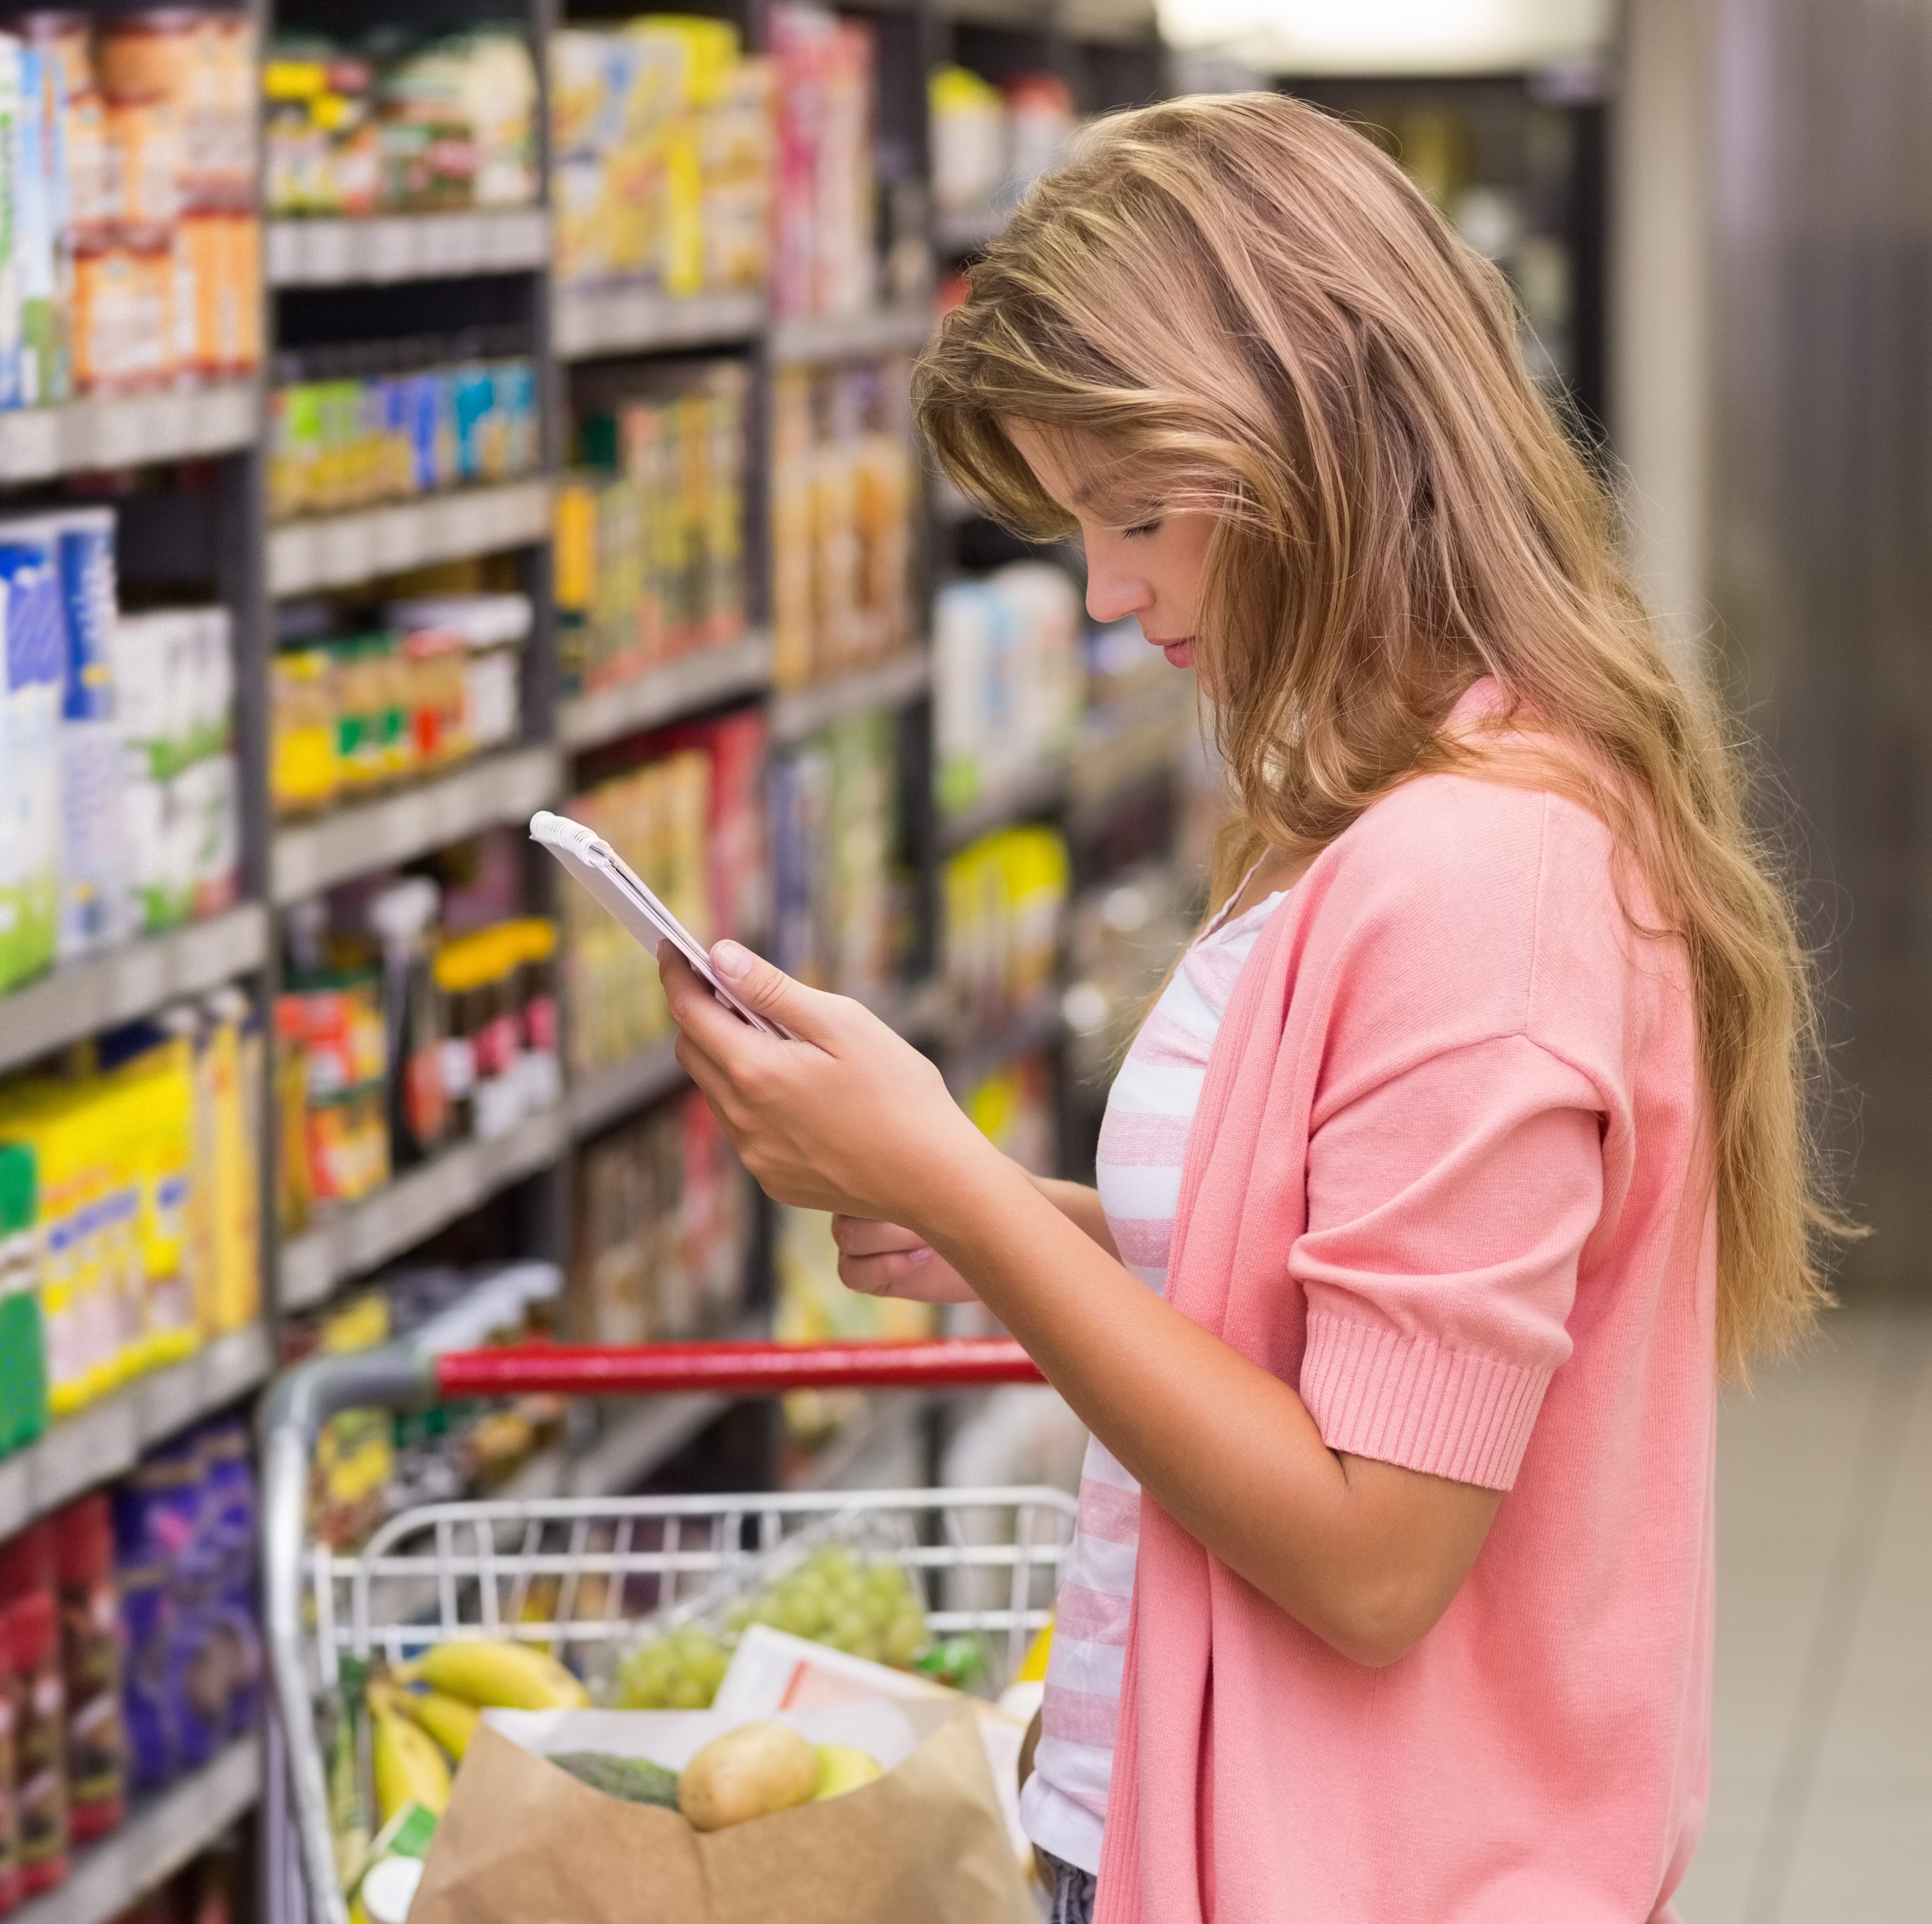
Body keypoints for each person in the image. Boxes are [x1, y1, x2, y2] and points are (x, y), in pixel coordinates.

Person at [658, 92, 1837, 1923]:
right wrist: (1031, 1227)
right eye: (1078, 526)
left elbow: (1375, 1549)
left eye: (1139, 513)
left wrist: (959, 1183)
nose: (1113, 591)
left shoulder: (1479, 877)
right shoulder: (1383, 797)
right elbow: (1329, 1296)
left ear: (1325, 435)